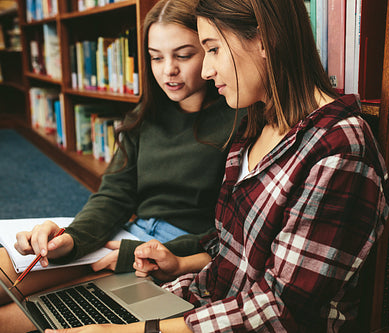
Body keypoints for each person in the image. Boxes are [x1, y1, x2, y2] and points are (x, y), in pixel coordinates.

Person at [26, 0, 389, 331]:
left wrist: (133, 328)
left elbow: (281, 310)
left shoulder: (339, 148)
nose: (208, 70)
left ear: (264, 39)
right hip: (205, 302)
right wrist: (172, 274)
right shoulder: (256, 126)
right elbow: (226, 255)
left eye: (210, 49)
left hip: (236, 319)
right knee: (40, 308)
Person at [0, 0, 245, 331]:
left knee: (17, 319)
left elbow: (227, 234)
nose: (167, 70)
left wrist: (136, 254)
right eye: (156, 57)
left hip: (171, 254)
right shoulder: (146, 115)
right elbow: (113, 195)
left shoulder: (239, 120)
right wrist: (70, 238)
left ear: (210, 50)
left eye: (183, 55)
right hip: (124, 234)